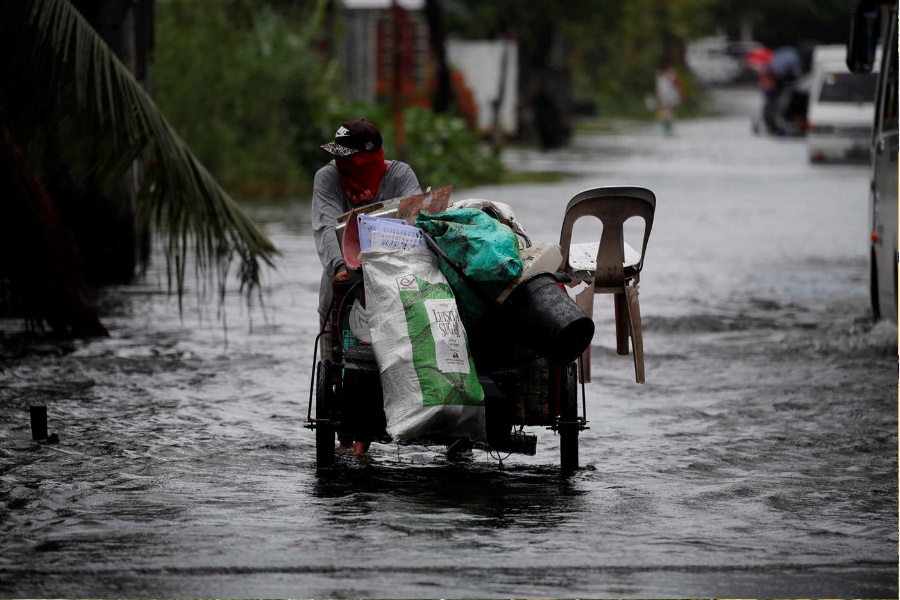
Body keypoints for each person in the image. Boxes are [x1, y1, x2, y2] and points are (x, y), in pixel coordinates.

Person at [311, 118, 422, 456]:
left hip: (390, 279)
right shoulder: (328, 177)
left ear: (370, 159)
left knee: (389, 352)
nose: (341, 166)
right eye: (338, 157)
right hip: (344, 281)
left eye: (349, 159)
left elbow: (417, 223)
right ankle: (343, 432)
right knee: (337, 352)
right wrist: (340, 267)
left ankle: (370, 434)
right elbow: (326, 225)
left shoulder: (400, 176)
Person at [655, 61, 682, 135]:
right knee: (665, 113)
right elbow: (659, 87)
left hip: (670, 96)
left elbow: (677, 84)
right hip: (664, 96)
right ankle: (667, 129)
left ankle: (668, 129)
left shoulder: (671, 74)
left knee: (668, 112)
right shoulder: (660, 76)